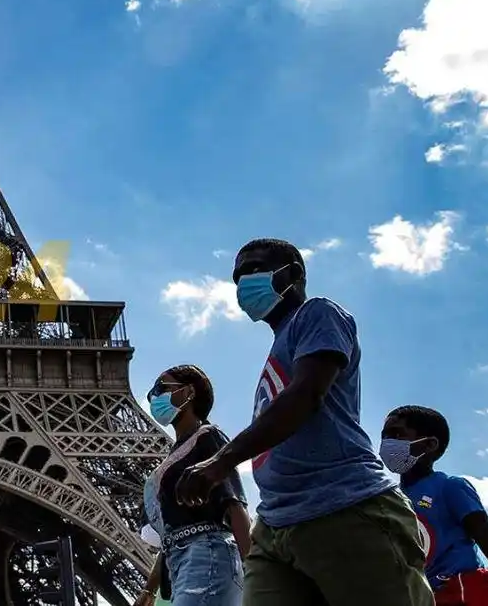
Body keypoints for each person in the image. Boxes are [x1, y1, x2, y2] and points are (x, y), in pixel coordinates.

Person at [174, 238, 433, 606]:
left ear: (293, 274)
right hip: (276, 525)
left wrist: (220, 462)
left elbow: (306, 396)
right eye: (238, 277)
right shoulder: (278, 347)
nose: (244, 282)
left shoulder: (318, 313)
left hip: (344, 508)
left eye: (254, 269)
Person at [380, 405, 488, 606]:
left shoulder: (450, 487)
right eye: (384, 436)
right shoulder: (391, 501)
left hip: (466, 594)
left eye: (397, 434)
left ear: (429, 445)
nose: (388, 443)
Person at [135, 365, 251, 606]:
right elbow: (172, 534)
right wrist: (149, 590)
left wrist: (253, 569)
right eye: (151, 394)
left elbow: (235, 505)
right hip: (181, 562)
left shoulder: (208, 436)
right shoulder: (173, 457)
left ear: (188, 392)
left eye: (161, 388)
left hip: (208, 553)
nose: (154, 397)